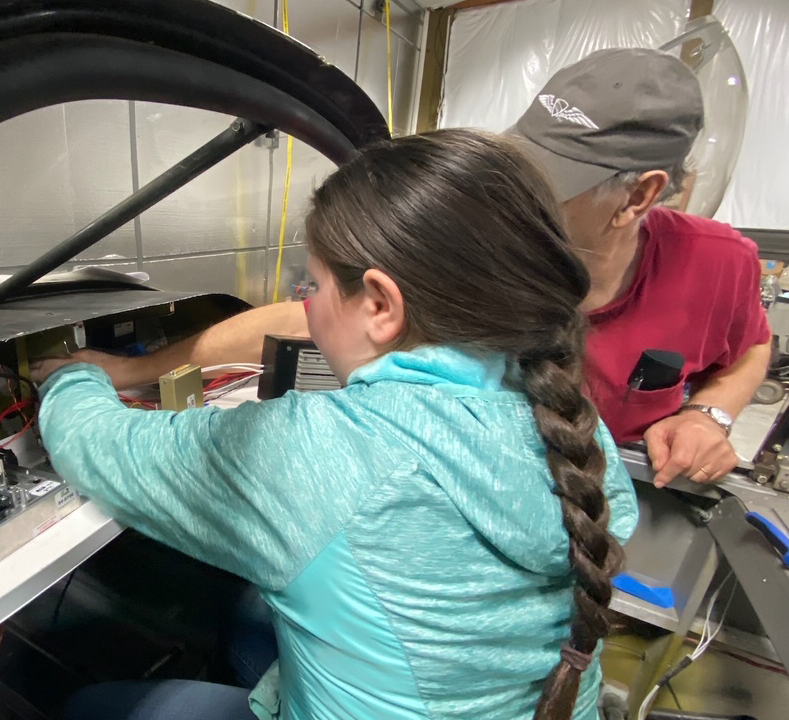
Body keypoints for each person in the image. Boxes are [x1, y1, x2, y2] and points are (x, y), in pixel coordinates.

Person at [31, 129, 638, 720]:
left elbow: (96, 444)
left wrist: (70, 377)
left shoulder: (320, 452)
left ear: (380, 304)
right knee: (249, 617)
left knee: (91, 707)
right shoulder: (573, 427)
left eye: (313, 286)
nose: (307, 306)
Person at [68, 48, 771, 490]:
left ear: (640, 195)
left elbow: (749, 351)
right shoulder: (480, 238)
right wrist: (132, 370)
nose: (514, 197)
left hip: (607, 521)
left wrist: (709, 414)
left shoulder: (720, 263)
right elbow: (306, 316)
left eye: (549, 181)